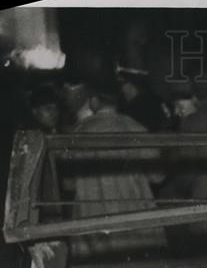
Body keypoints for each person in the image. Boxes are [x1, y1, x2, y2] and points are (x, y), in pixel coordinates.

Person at [62, 82, 167, 258]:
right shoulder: (137, 128)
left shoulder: (77, 134)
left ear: (94, 101)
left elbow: (68, 184)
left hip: (93, 221)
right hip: (136, 222)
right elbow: (158, 177)